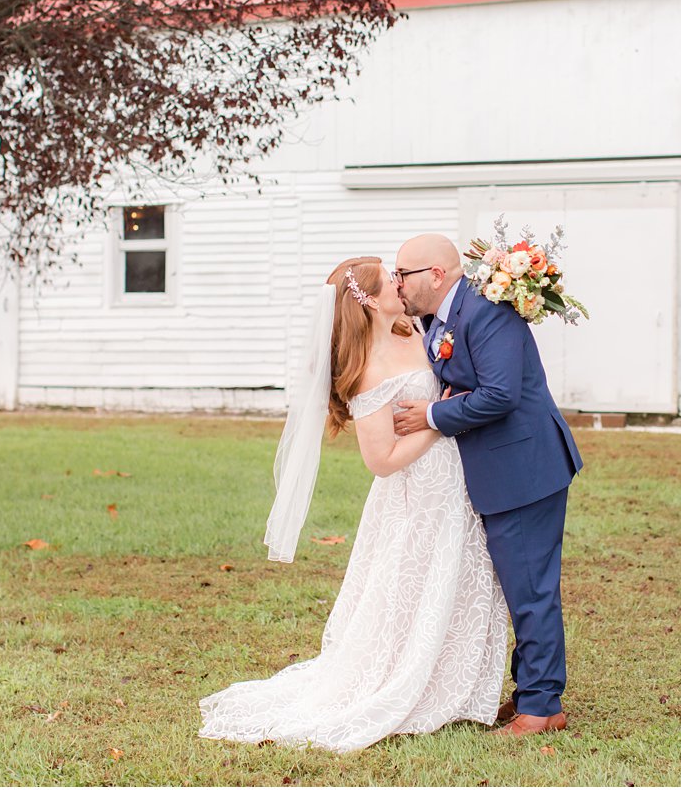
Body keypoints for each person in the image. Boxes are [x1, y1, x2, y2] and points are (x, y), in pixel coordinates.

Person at [197, 257, 508, 753]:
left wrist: (446, 410)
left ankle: (460, 685)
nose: (400, 284)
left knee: (459, 576)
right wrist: (436, 423)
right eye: (391, 280)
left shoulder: (416, 329)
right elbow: (382, 460)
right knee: (415, 584)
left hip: (457, 481)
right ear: (366, 299)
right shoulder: (367, 370)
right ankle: (411, 682)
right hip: (416, 492)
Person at [390, 234, 583, 736]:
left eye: (402, 274)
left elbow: (499, 394)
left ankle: (543, 708)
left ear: (435, 274)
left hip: (524, 468)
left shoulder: (487, 310)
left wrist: (433, 413)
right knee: (523, 586)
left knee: (531, 589)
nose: (397, 284)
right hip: (501, 469)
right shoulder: (442, 317)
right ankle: (531, 694)